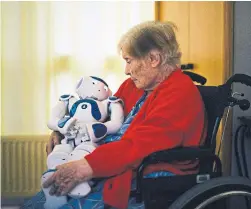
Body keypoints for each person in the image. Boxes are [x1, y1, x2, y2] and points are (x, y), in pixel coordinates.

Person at [21, 20, 206, 209]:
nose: (126, 71)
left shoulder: (180, 93)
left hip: (147, 172)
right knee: (41, 200)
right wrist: (65, 131)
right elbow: (100, 116)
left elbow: (141, 146)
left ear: (153, 59)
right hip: (112, 163)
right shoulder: (134, 85)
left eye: (129, 60)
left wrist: (86, 167)